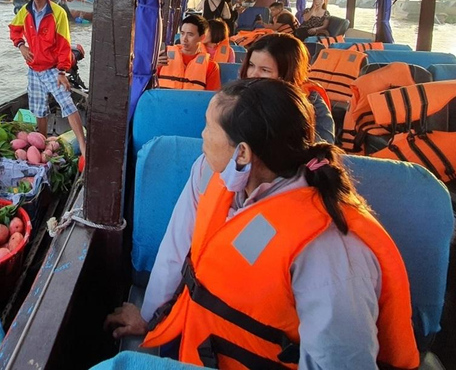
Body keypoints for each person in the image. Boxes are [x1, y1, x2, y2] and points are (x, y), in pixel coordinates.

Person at [105, 79, 419, 369]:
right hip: (200, 349)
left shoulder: (328, 248)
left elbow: (340, 361)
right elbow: (180, 253)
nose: (201, 135)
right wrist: (149, 317)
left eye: (208, 127)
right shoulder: (223, 182)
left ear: (242, 153)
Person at [9, 0, 87, 156]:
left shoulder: (58, 13)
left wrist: (62, 72)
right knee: (38, 108)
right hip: (34, 69)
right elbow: (14, 29)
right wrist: (21, 46)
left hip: (53, 69)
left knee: (67, 105)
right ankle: (42, 144)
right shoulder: (25, 12)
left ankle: (85, 149)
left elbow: (63, 45)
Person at [241, 33, 334, 143]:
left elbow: (324, 150)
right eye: (251, 65)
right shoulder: (237, 97)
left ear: (286, 74)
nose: (253, 74)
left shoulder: (312, 101)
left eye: (265, 70)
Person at [157, 15, 221, 91]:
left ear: (202, 37)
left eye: (190, 35)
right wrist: (152, 69)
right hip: (162, 102)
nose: (184, 39)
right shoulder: (162, 57)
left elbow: (212, 98)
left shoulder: (211, 66)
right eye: (182, 33)